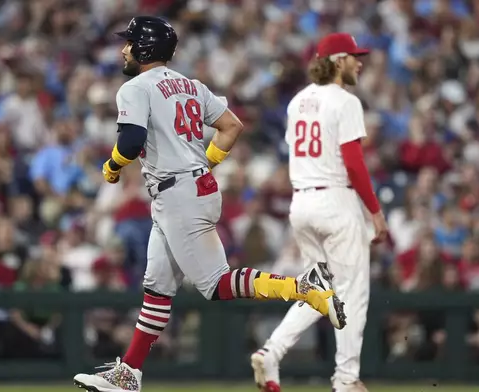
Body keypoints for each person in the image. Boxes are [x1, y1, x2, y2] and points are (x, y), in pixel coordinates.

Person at [73, 16, 345, 392]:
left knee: (217, 284)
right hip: (187, 189)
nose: (124, 48)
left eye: (130, 42)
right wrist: (205, 163)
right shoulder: (190, 84)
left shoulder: (134, 88)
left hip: (179, 195)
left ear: (145, 48)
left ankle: (302, 287)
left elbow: (131, 143)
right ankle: (128, 373)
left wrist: (112, 167)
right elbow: (232, 126)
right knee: (157, 288)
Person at [250, 33, 389, 392]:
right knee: (352, 291)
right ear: (337, 60)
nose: (360, 62)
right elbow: (354, 164)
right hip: (335, 201)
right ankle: (346, 379)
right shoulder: (345, 101)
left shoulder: (298, 101)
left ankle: (273, 350)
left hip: (303, 203)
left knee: (321, 288)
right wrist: (374, 210)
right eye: (354, 57)